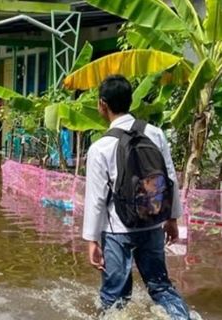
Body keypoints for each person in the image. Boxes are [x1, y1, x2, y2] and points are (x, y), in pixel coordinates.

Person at [82, 75, 189, 319]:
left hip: (117, 230)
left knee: (115, 296)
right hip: (152, 222)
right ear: (131, 101)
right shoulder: (155, 133)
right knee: (161, 287)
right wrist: (172, 219)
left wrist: (91, 241)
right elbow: (169, 176)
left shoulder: (100, 147)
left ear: (102, 104)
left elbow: (96, 199)